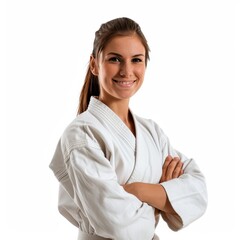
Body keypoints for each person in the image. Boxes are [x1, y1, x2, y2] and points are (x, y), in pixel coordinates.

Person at [49, 17, 208, 240]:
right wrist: (164, 198)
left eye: (136, 60)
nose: (127, 71)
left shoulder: (152, 132)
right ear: (94, 64)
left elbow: (198, 192)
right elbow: (119, 225)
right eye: (115, 59)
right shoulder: (82, 135)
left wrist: (136, 190)